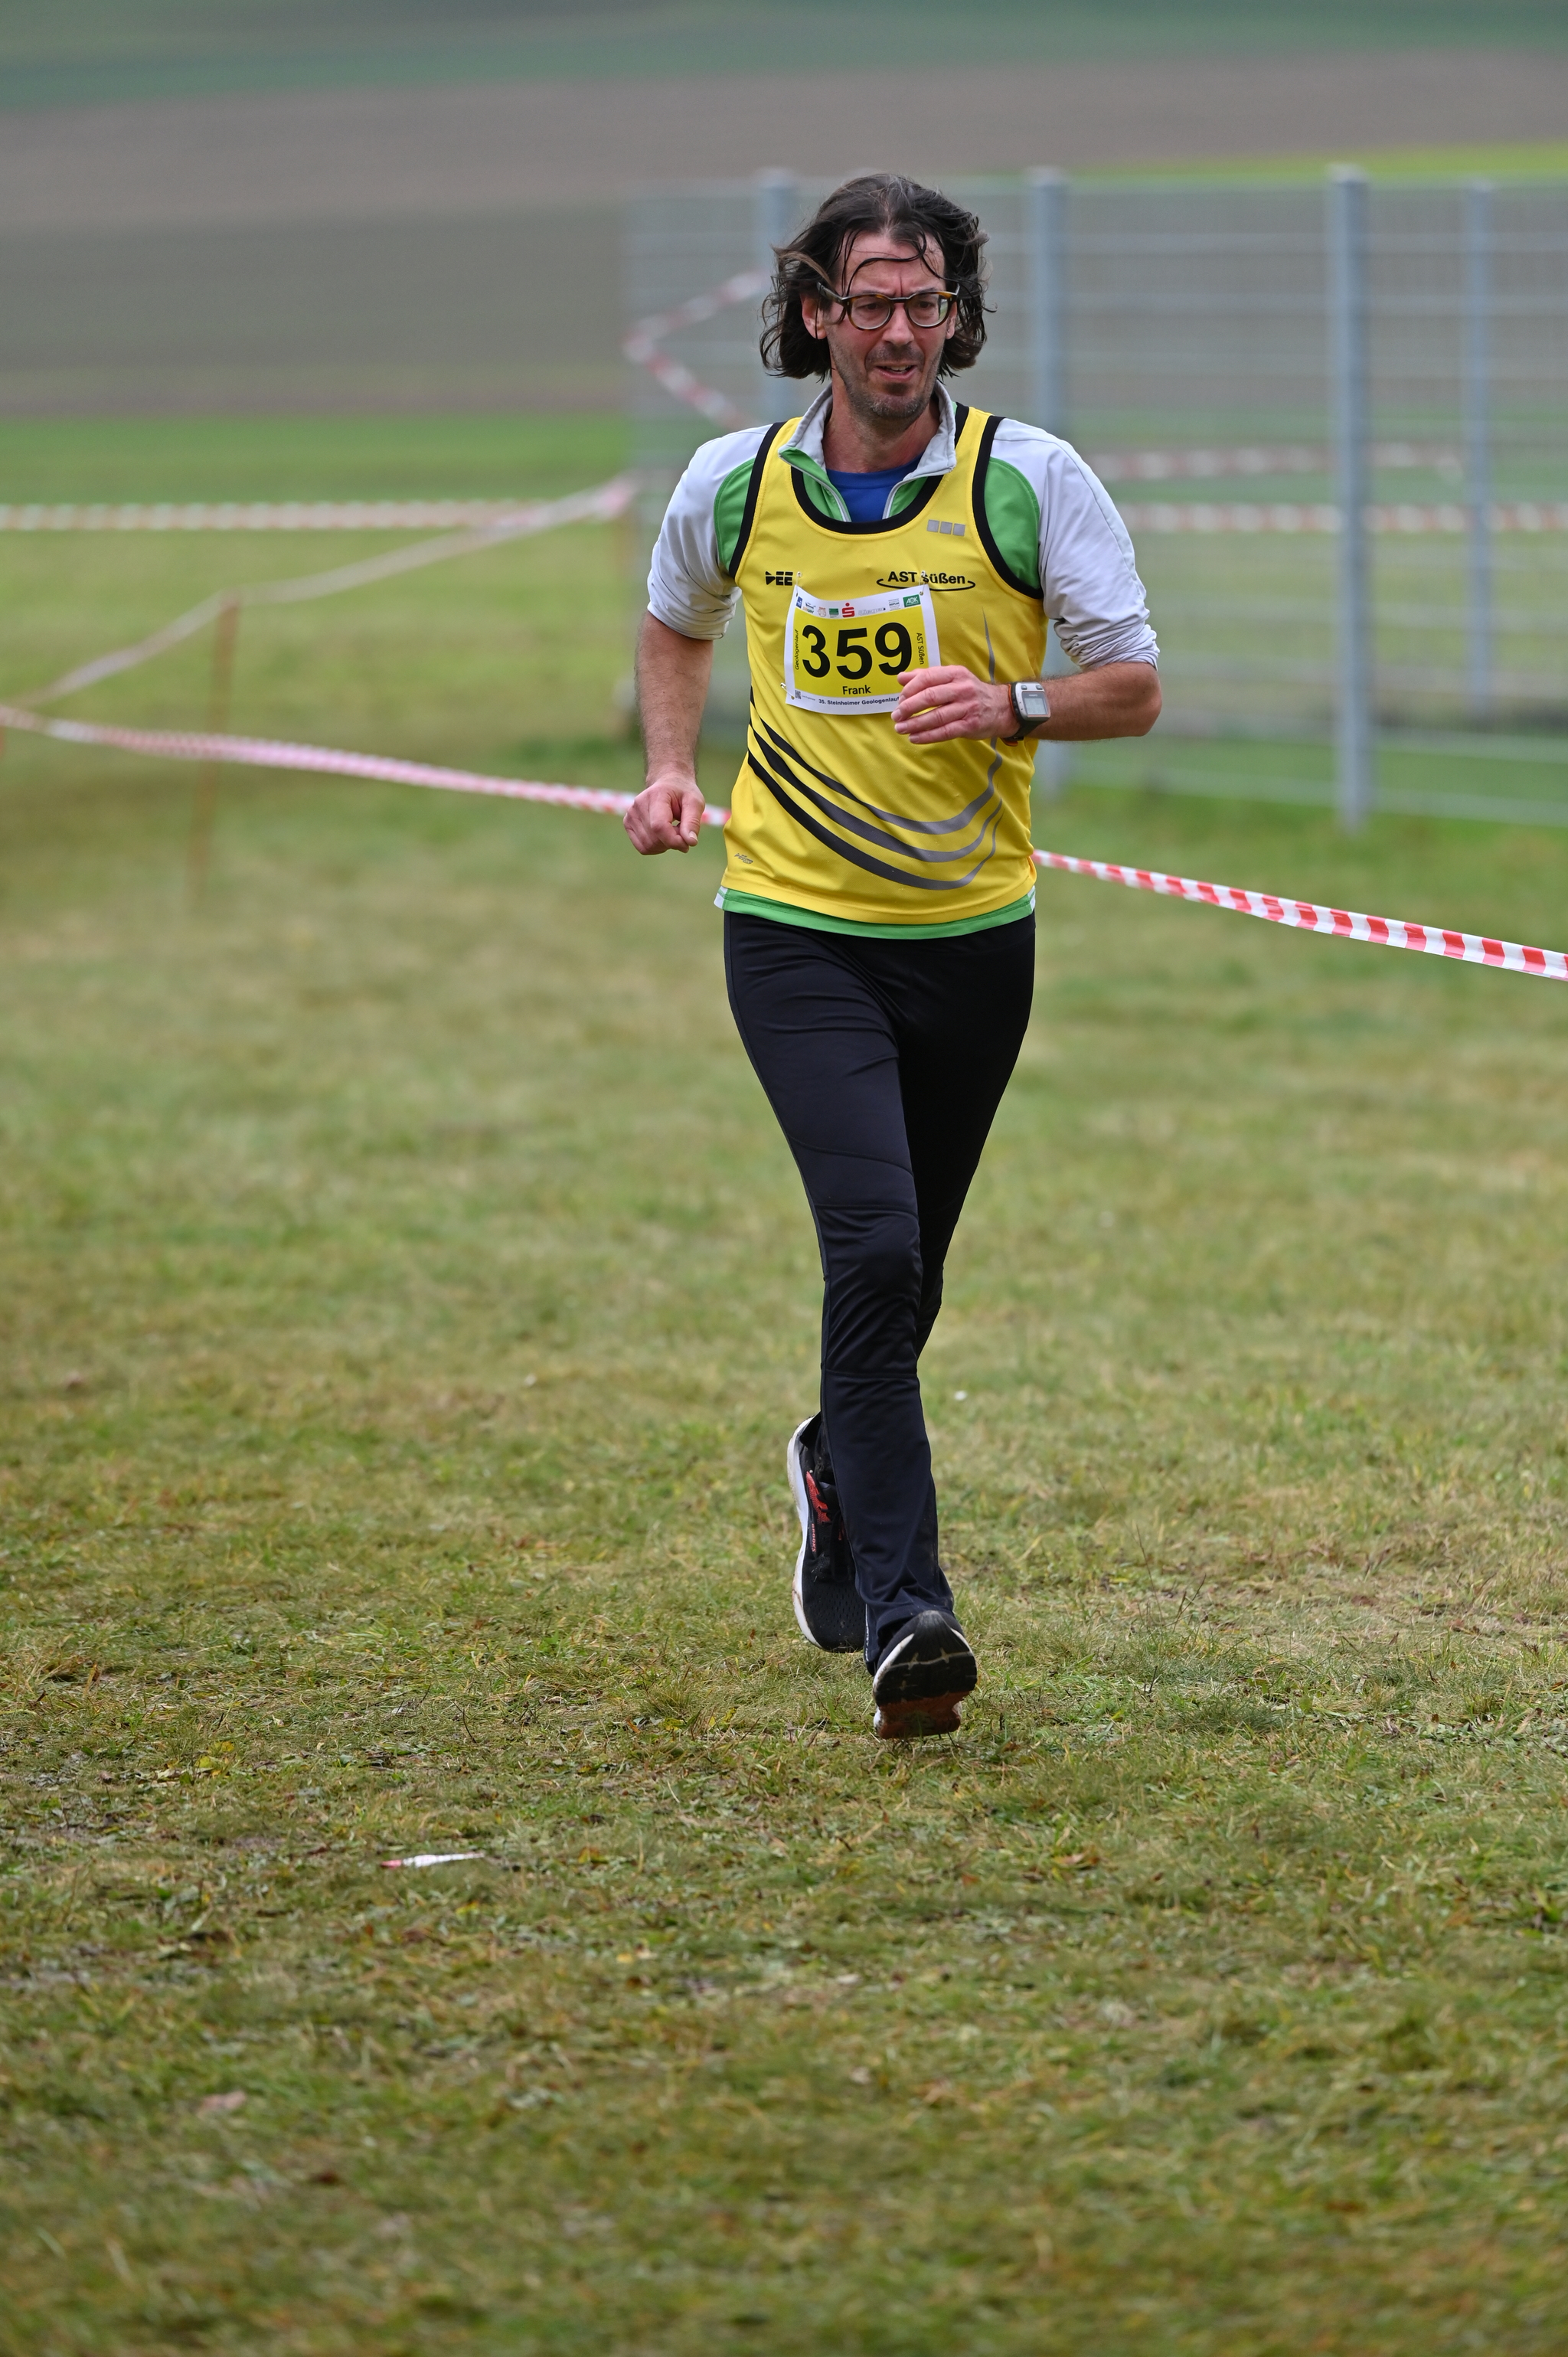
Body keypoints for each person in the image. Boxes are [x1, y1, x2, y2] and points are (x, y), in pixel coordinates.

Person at [626, 172, 1159, 1738]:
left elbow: (1131, 682)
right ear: (816, 315)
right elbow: (674, 619)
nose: (899, 331)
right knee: (868, 1250)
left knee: (907, 1270)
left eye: (926, 303)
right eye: (869, 301)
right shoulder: (737, 483)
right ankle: (909, 1613)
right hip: (795, 932)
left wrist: (1014, 703)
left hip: (974, 941)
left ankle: (832, 1469)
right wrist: (671, 768)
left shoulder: (1028, 481)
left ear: (957, 318)